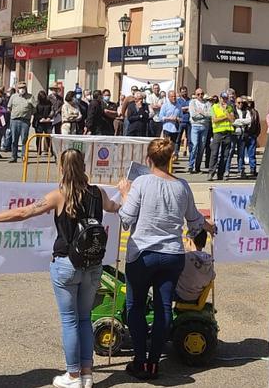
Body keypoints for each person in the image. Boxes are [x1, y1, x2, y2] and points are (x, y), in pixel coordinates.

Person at [0, 149, 122, 388]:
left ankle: (72, 375)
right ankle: (86, 372)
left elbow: (24, 212)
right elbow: (114, 207)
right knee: (84, 318)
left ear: (61, 168)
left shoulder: (58, 196)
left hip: (66, 263)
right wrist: (124, 191)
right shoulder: (97, 192)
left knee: (69, 321)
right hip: (93, 264)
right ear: (84, 166)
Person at [117, 139, 215, 380]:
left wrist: (125, 194)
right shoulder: (182, 186)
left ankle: (140, 360)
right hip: (172, 254)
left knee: (136, 306)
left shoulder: (141, 182)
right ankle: (154, 362)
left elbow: (126, 219)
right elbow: (194, 224)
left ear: (148, 159)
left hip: (143, 253)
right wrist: (208, 226)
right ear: (171, 159)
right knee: (163, 308)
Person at [175, 229, 215, 303]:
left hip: (181, 296)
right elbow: (212, 276)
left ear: (190, 241)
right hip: (197, 296)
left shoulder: (185, 258)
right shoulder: (209, 260)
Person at [208, 92, 236, 182]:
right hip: (217, 133)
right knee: (214, 154)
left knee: (225, 155)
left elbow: (232, 120)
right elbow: (215, 120)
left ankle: (221, 174)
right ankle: (211, 173)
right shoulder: (214, 107)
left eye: (226, 99)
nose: (224, 100)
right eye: (223, 98)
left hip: (227, 133)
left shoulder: (230, 108)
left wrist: (226, 111)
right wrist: (225, 117)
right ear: (220, 98)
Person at [7, 83, 37, 162]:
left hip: (25, 121)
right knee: (14, 139)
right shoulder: (13, 97)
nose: (22, 89)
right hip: (14, 120)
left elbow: (34, 109)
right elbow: (9, 107)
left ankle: (24, 156)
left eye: (23, 87)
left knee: (24, 139)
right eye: (20, 88)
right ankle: (13, 156)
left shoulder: (30, 97)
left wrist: (29, 114)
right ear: (17, 89)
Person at [233, 96, 260, 179]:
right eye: (246, 102)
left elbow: (255, 123)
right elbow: (235, 121)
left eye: (250, 102)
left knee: (251, 153)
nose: (248, 104)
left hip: (252, 135)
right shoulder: (243, 111)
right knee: (241, 153)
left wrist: (256, 134)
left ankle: (253, 169)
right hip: (244, 134)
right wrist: (242, 122)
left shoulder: (254, 112)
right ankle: (241, 169)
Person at [187, 88, 211, 174]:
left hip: (205, 127)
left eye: (202, 94)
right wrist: (204, 115)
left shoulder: (207, 103)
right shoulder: (192, 102)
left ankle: (197, 167)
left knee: (201, 148)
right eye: (198, 94)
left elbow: (210, 115)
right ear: (196, 95)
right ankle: (190, 165)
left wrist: (201, 113)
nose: (200, 96)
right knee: (194, 145)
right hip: (195, 126)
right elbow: (193, 115)